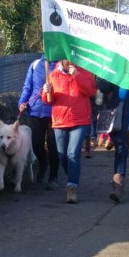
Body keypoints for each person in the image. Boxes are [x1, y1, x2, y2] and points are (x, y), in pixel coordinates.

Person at [41, 59, 96, 204]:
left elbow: (91, 91)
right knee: (62, 155)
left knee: (73, 153)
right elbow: (48, 100)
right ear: (61, 60)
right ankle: (73, 175)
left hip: (80, 120)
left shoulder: (84, 71)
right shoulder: (53, 75)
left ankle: (72, 186)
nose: (70, 61)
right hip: (60, 120)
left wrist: (77, 75)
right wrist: (46, 91)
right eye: (66, 59)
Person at [18, 55, 60, 190]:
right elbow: (28, 86)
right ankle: (43, 163)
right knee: (36, 144)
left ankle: (53, 177)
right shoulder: (35, 64)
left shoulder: (61, 65)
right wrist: (22, 102)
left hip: (55, 112)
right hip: (35, 111)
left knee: (53, 145)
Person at [95, 77, 129, 203]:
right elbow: (105, 88)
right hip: (117, 112)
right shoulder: (114, 67)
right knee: (121, 148)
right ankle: (118, 184)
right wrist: (101, 78)